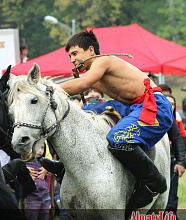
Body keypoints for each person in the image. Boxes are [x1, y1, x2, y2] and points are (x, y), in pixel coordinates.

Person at [41, 29, 173, 211]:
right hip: (135, 108)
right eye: (69, 56)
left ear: (91, 51)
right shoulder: (93, 75)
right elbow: (77, 84)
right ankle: (65, 167)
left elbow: (81, 84)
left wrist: (44, 90)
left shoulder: (103, 61)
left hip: (155, 107)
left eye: (74, 53)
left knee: (117, 138)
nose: (71, 60)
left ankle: (153, 182)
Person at [164, 94, 186, 218]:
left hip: (172, 161)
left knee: (172, 193)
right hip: (156, 161)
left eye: (172, 104)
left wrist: (181, 162)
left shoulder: (175, 120)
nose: (169, 106)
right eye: (167, 103)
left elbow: (180, 140)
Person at [24, 142, 50, 220]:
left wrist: (47, 169)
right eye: (38, 147)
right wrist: (25, 170)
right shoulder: (25, 163)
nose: (40, 151)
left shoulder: (44, 162)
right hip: (32, 200)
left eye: (42, 148)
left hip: (45, 199)